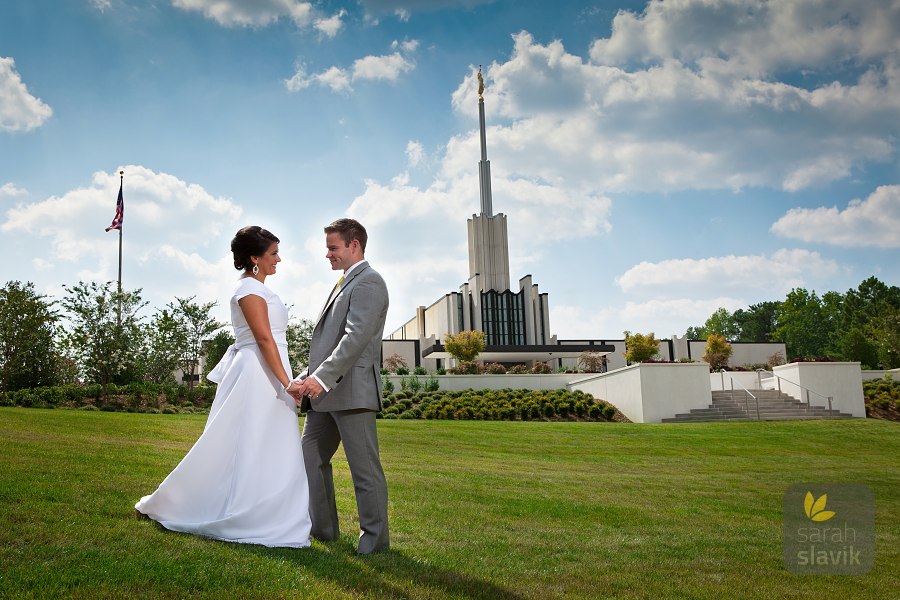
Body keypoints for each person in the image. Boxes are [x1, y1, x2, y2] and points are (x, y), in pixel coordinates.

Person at [135, 226, 311, 548]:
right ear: (255, 258)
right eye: (273, 254)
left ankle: (268, 509)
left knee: (267, 443)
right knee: (246, 442)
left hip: (269, 370)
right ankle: (214, 506)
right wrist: (288, 384)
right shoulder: (248, 291)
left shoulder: (258, 289)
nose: (279, 259)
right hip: (258, 374)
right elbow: (263, 339)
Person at [294, 218, 390, 555]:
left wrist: (319, 379)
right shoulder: (343, 284)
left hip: (352, 394)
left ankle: (374, 543)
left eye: (333, 247)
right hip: (323, 395)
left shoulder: (369, 283)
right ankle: (323, 531)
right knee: (309, 458)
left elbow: (354, 339)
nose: (328, 254)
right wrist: (306, 376)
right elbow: (328, 342)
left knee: (365, 472)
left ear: (354, 245)